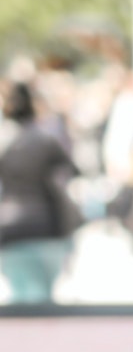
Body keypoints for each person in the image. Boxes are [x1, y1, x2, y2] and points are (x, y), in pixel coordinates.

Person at [0, 81, 79, 303]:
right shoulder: (46, 139)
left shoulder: (7, 140)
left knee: (24, 296)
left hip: (12, 227)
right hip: (46, 225)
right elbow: (70, 173)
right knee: (41, 299)